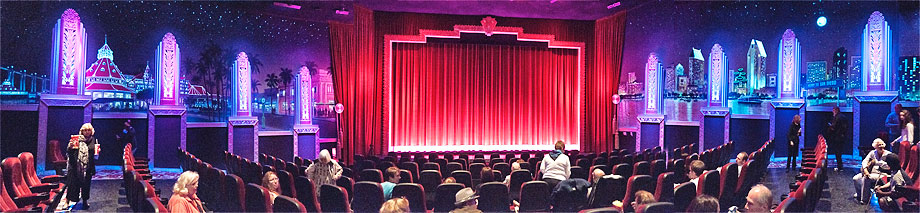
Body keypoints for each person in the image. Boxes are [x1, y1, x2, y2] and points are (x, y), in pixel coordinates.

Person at [67, 123, 98, 209]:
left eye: (89, 130)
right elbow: (69, 153)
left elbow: (93, 154)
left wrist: (97, 152)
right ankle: (68, 201)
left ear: (91, 131)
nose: (87, 132)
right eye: (85, 130)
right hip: (76, 165)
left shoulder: (93, 140)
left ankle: (85, 201)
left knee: (86, 185)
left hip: (88, 165)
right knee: (73, 185)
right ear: (82, 131)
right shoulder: (77, 139)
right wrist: (70, 147)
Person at [852, 138, 891, 204]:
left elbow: (889, 166)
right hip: (871, 172)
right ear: (875, 146)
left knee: (866, 178)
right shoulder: (873, 152)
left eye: (882, 144)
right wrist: (865, 170)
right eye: (879, 145)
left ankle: (864, 199)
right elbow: (865, 161)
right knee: (855, 178)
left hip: (882, 174)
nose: (881, 146)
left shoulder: (888, 154)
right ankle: (859, 194)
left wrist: (877, 162)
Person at [827, 106, 848, 171]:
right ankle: (840, 166)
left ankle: (839, 167)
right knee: (839, 152)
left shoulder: (837, 117)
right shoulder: (843, 117)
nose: (832, 112)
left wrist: (830, 127)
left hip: (837, 137)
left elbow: (834, 127)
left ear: (836, 110)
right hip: (842, 136)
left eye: (833, 110)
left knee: (837, 152)